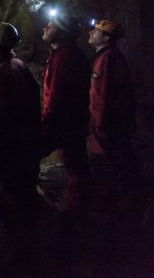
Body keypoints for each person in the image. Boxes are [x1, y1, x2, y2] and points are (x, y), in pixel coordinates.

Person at [0, 22, 42, 262]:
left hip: (9, 154)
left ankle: (17, 254)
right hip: (24, 150)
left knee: (10, 202)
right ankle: (26, 248)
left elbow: (0, 117)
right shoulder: (19, 66)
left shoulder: (4, 73)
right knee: (23, 200)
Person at [40, 12, 91, 216]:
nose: (45, 27)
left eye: (50, 25)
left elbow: (58, 96)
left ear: (61, 32)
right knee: (75, 162)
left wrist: (48, 122)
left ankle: (75, 214)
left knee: (75, 165)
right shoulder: (64, 55)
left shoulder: (65, 58)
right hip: (70, 121)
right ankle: (76, 209)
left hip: (64, 121)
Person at [87, 19, 138, 211]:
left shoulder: (108, 59)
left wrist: (99, 127)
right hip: (104, 128)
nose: (91, 32)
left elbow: (106, 98)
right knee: (112, 166)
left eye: (96, 31)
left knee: (110, 167)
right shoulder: (105, 57)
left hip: (107, 130)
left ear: (106, 38)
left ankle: (115, 209)